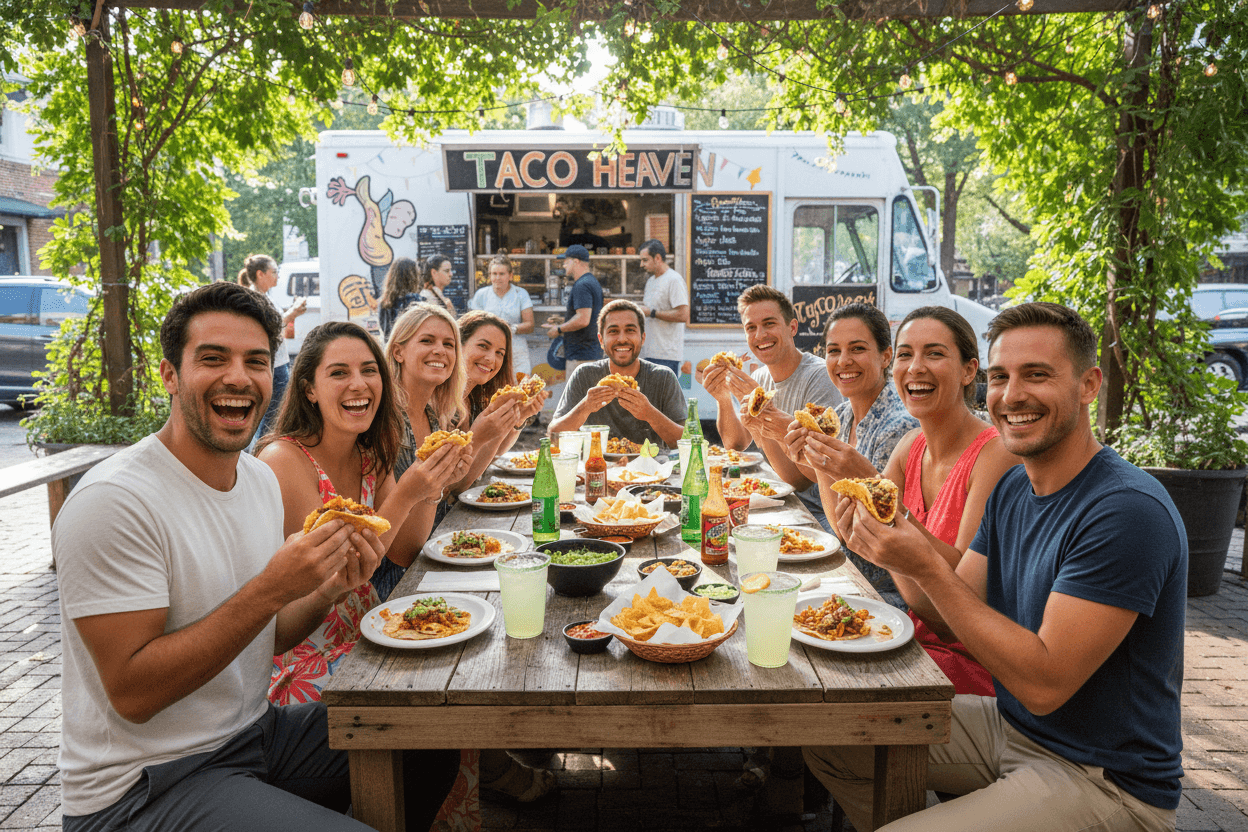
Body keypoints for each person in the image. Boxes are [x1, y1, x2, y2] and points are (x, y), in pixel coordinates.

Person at [53, 281, 444, 831]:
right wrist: (273, 587)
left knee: (435, 730)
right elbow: (133, 693)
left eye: (255, 361)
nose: (238, 376)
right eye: (213, 359)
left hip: (255, 734)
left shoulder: (257, 480)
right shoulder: (115, 501)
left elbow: (275, 635)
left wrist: (326, 587)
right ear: (169, 375)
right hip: (146, 785)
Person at [805, 302, 1187, 832]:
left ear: (1088, 385)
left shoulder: (1126, 511)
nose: (1011, 396)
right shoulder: (1015, 486)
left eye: (1037, 375)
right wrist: (893, 547)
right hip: (1012, 728)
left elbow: (1044, 685)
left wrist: (923, 565)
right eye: (1001, 377)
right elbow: (953, 608)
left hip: (1103, 777)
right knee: (832, 736)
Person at [791, 305, 1018, 694]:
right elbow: (858, 539)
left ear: (968, 371)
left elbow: (960, 602)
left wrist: (869, 486)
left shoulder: (995, 455)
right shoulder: (910, 447)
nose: (915, 367)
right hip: (905, 631)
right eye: (906, 354)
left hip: (969, 661)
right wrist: (823, 463)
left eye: (934, 353)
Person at [256, 321, 467, 703]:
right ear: (309, 390)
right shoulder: (282, 460)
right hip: (307, 658)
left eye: (369, 370)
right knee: (441, 687)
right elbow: (340, 573)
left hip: (372, 632)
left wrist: (432, 487)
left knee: (464, 658)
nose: (359, 384)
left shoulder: (369, 455)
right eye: (339, 373)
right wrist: (406, 493)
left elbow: (404, 551)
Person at [700, 284, 843, 528]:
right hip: (777, 504)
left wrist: (761, 413)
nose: (760, 335)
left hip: (817, 515)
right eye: (751, 328)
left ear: (792, 327)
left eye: (769, 324)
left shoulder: (820, 377)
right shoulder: (763, 377)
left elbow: (802, 482)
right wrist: (723, 398)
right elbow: (735, 444)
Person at [379, 302, 467, 602]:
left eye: (449, 344)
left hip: (429, 565)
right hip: (392, 587)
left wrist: (446, 479)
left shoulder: (434, 417)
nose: (440, 351)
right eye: (427, 340)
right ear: (398, 351)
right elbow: (401, 551)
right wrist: (435, 487)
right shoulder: (384, 420)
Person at [549, 299, 686, 447]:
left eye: (630, 330)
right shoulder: (584, 375)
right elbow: (554, 437)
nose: (622, 339)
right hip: (597, 466)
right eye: (613, 331)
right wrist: (585, 407)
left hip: (653, 468)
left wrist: (649, 414)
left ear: (642, 338)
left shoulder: (663, 377)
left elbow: (688, 443)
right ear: (601, 340)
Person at [454, 310, 548, 487]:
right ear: (459, 344)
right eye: (483, 346)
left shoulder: (477, 396)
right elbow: (459, 486)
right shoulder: (444, 404)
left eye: (500, 353)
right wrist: (483, 436)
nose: (491, 358)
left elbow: (493, 454)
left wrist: (518, 417)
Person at [238, 253, 306, 445]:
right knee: (268, 418)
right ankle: (258, 455)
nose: (277, 276)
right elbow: (267, 330)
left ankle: (260, 455)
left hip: (277, 364)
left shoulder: (265, 297)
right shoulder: (254, 298)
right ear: (260, 274)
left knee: (270, 417)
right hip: (271, 367)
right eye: (274, 272)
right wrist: (293, 313)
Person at [541, 244, 603, 378]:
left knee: (577, 398)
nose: (563, 265)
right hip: (588, 354)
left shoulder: (582, 285)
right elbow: (588, 316)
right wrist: (562, 320)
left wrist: (558, 329)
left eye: (566, 261)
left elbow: (583, 319)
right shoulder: (591, 281)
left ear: (576, 261)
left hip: (581, 356)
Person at [469, 254, 535, 377]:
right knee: (491, 391)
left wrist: (511, 329)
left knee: (521, 391)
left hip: (516, 351)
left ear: (510, 275)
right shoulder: (481, 295)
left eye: (502, 274)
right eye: (494, 274)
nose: (497, 277)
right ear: (489, 276)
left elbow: (530, 325)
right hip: (488, 353)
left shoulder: (521, 294)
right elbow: (472, 325)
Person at [635, 239, 689, 378]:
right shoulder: (651, 281)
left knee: (663, 399)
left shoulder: (674, 280)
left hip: (666, 355)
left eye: (645, 260)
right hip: (648, 353)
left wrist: (652, 313)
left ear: (657, 258)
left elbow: (683, 314)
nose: (642, 264)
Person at [378, 256, 423, 338]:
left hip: (389, 347)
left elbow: (384, 330)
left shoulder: (384, 302)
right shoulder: (414, 300)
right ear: (412, 277)